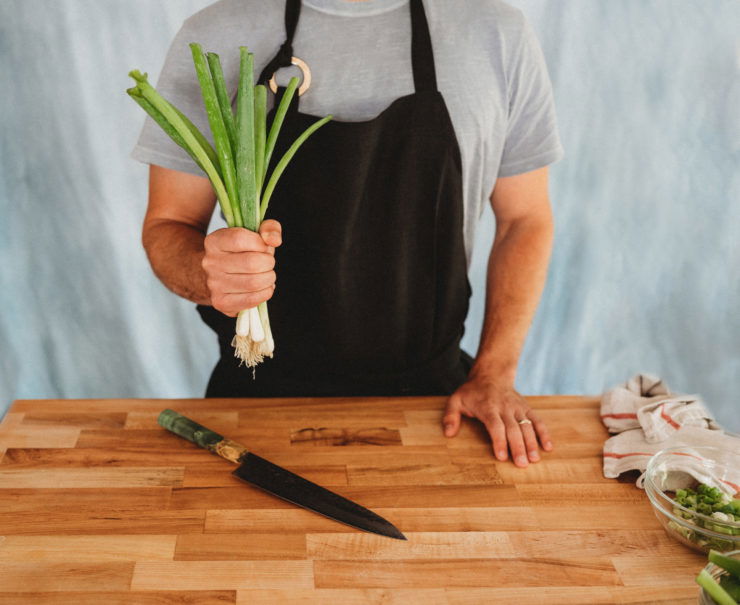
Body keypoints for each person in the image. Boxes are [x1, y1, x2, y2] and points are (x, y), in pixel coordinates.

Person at [131, 0, 564, 468]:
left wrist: (495, 374)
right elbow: (167, 226)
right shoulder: (219, 32)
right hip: (257, 407)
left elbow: (525, 220)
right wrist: (209, 274)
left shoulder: (496, 33)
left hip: (435, 409)